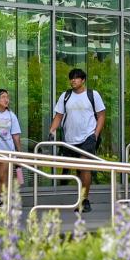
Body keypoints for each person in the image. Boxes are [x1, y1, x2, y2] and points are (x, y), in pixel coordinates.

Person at [49, 68, 106, 213]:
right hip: (70, 139)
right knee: (78, 169)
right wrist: (52, 130)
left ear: (83, 80)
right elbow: (58, 116)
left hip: (88, 136)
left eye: (76, 78)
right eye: (71, 78)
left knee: (85, 165)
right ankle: (81, 197)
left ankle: (85, 200)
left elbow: (101, 115)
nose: (73, 80)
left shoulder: (93, 95)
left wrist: (95, 134)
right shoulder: (65, 96)